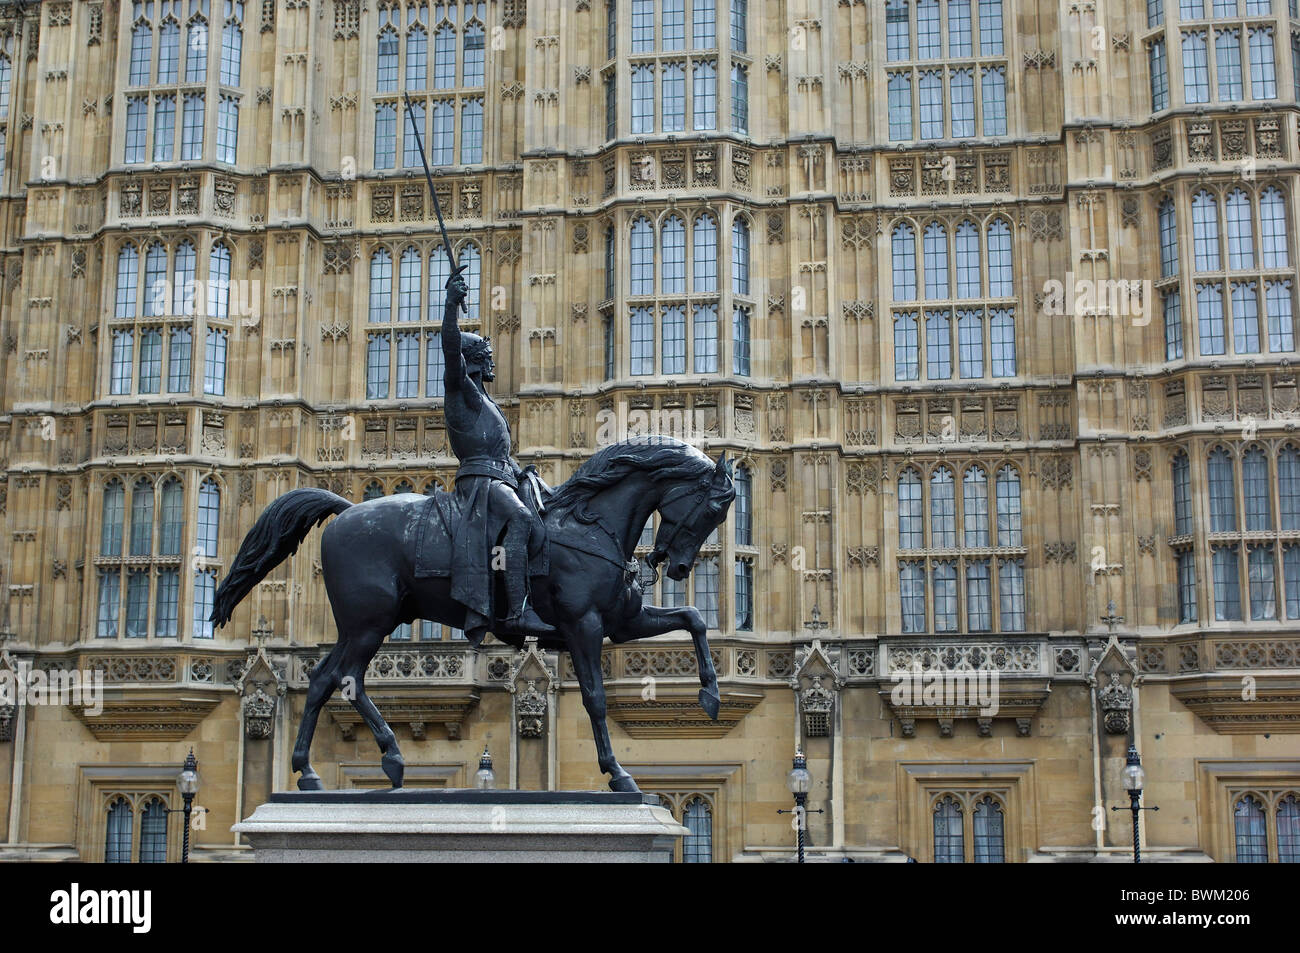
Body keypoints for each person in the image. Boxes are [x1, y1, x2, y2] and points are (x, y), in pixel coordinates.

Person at [439, 264, 555, 642]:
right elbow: (450, 346)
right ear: (473, 358)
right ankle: (521, 611)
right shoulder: (461, 391)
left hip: (501, 476)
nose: (491, 359)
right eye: (485, 353)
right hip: (481, 483)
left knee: (544, 512)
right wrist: (451, 305)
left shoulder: (485, 399)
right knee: (520, 521)